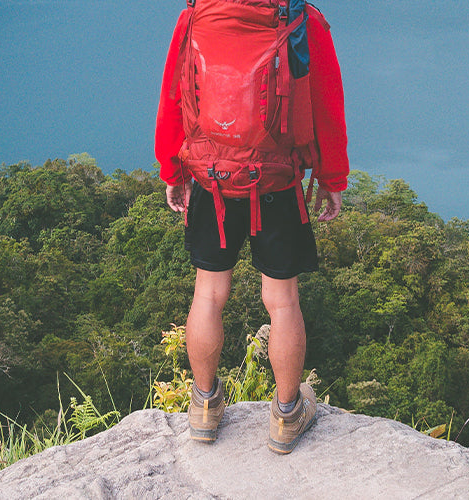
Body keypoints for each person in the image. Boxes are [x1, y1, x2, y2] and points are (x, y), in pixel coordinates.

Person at [154, 0, 349, 454]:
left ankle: (204, 408)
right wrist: (331, 177)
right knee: (282, 302)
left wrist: (173, 171)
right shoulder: (301, 19)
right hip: (277, 182)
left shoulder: (197, 15)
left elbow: (173, 95)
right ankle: (286, 416)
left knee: (208, 293)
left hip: (211, 179)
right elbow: (325, 101)